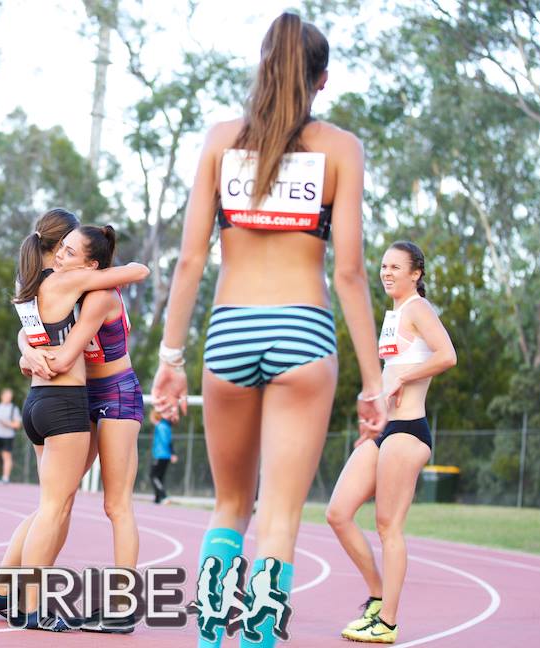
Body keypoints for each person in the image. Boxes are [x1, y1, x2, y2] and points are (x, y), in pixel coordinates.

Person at [150, 12, 387, 647]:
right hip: (303, 334)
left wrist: (169, 357)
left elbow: (192, 259)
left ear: (263, 68)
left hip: (228, 332)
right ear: (322, 79)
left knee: (230, 505)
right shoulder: (341, 148)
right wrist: (374, 381)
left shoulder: (221, 140)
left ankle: (208, 639)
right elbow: (352, 274)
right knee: (279, 516)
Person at [0, 209, 148, 632]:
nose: (61, 257)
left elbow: (66, 349)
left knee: (115, 504)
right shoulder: (63, 285)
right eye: (63, 248)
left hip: (115, 394)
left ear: (91, 265)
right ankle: (9, 588)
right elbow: (34, 323)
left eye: (71, 252)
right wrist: (26, 346)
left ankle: (122, 605)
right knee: (57, 501)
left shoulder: (98, 292)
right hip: (75, 397)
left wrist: (29, 355)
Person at [326, 241, 456, 644]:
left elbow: (448, 354)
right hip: (383, 430)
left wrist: (402, 379)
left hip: (408, 431)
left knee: (388, 527)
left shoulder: (418, 308)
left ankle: (387, 622)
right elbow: (390, 369)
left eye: (395, 267)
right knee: (338, 513)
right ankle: (377, 597)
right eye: (383, 266)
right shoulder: (395, 313)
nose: (386, 273)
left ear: (415, 273)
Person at [0, 387, 21, 484]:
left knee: (6, 456)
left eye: (10, 396)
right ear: (2, 396)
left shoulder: (14, 408)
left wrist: (7, 424)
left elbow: (17, 424)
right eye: (6, 396)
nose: (8, 398)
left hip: (8, 436)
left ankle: (5, 478)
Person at [149, 408, 178, 504]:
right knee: (160, 477)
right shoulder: (167, 426)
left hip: (160, 455)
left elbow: (166, 441)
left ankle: (164, 496)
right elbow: (170, 441)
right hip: (166, 456)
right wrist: (172, 453)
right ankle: (158, 499)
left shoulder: (160, 426)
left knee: (153, 476)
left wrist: (172, 454)